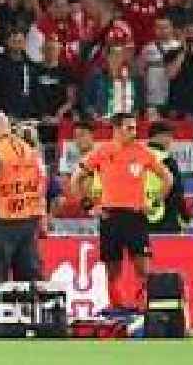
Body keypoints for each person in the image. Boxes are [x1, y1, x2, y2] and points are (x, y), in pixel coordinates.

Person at [71, 113, 173, 311]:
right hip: (110, 216)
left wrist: (154, 202)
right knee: (112, 270)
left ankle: (145, 308)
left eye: (135, 128)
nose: (134, 132)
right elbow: (76, 179)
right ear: (116, 129)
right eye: (129, 128)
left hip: (135, 216)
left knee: (143, 268)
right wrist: (88, 206)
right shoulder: (102, 151)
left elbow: (167, 178)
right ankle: (117, 309)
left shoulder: (143, 152)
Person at [0, 110, 46, 337]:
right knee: (28, 274)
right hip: (28, 219)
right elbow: (40, 183)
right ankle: (32, 325)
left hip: (2, 221)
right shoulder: (28, 150)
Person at [144, 122, 190, 233]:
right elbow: (177, 191)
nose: (171, 140)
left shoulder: (138, 156)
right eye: (169, 136)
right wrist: (185, 216)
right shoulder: (166, 158)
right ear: (160, 136)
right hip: (165, 218)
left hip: (141, 216)